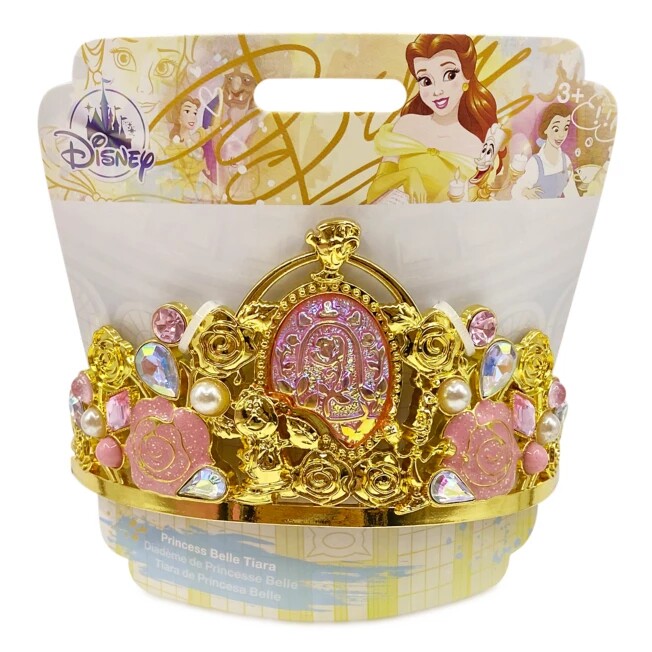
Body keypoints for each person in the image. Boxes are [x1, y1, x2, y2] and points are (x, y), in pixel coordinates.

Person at [367, 34, 503, 203]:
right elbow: (373, 193)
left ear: (467, 76)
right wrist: (409, 174)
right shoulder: (406, 125)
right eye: (426, 81)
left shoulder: (476, 145)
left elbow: (475, 206)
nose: (437, 91)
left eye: (449, 75)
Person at [512, 103, 579, 199]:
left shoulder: (565, 160)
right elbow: (516, 190)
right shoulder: (536, 163)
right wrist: (525, 192)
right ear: (545, 129)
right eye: (556, 129)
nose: (561, 135)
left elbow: (572, 193)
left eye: (565, 128)